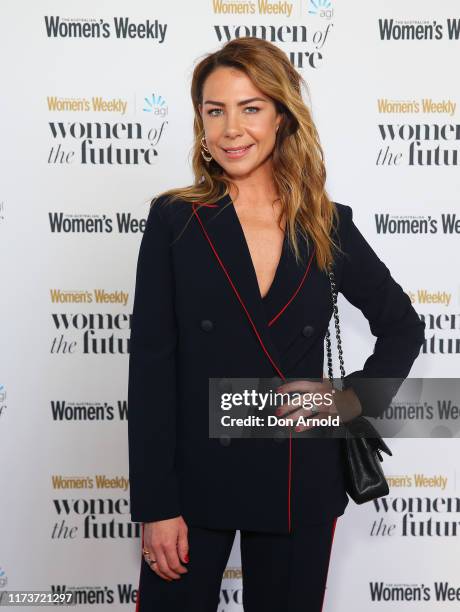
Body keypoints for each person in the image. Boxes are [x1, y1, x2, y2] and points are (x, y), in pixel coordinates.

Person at [127, 37, 425, 612]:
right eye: (215, 111)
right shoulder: (176, 219)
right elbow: (151, 373)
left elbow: (403, 326)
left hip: (300, 480)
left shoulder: (325, 224)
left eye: (251, 107)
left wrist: (348, 401)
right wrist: (156, 506)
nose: (231, 129)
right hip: (193, 484)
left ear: (283, 115)